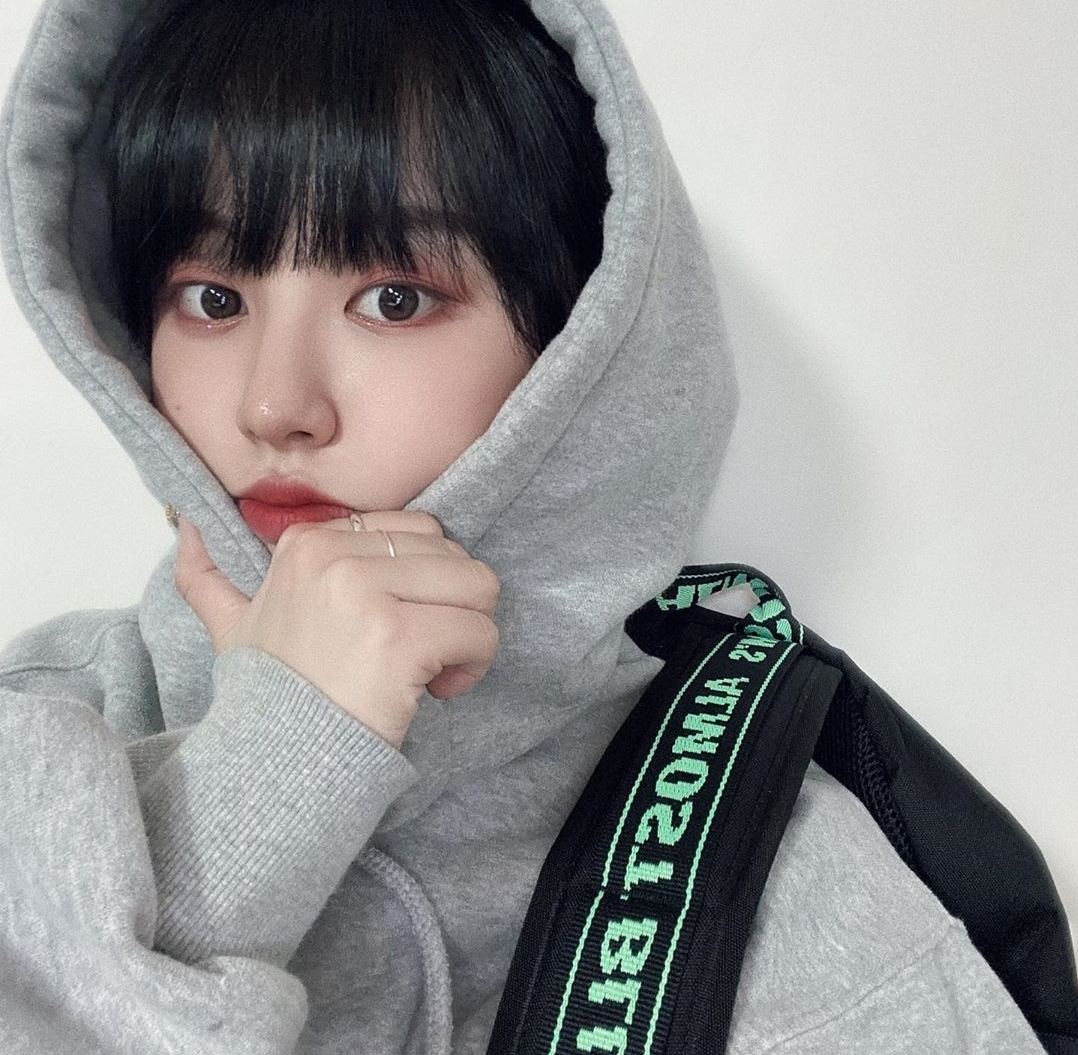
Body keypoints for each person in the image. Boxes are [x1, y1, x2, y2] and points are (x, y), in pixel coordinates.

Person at [0, 0, 1052, 1052]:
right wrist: (274, 766)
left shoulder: (759, 876)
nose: (275, 404)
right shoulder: (43, 718)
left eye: (394, 299)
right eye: (212, 299)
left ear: (579, 351)